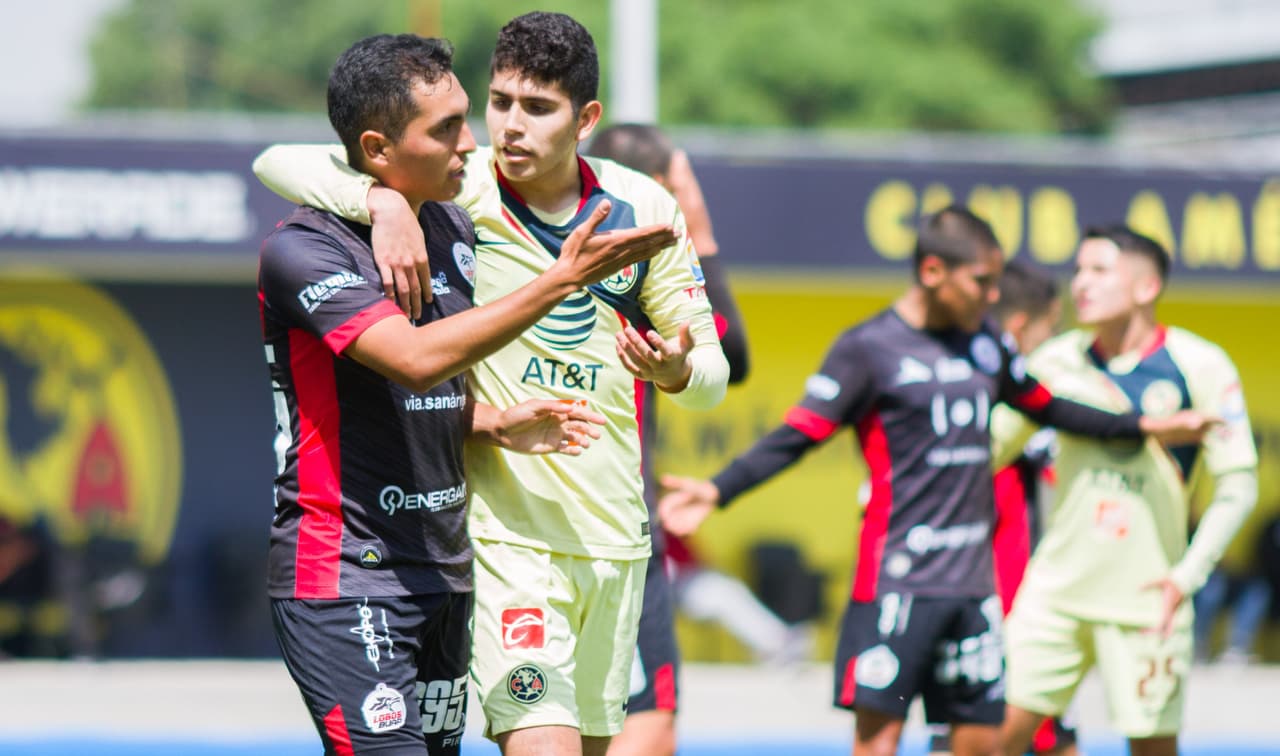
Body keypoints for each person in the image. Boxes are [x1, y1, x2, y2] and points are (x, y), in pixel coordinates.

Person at [253, 14, 730, 756]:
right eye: (499, 101)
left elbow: (714, 376)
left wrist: (676, 372)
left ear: (587, 119)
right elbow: (281, 160)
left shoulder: (643, 209)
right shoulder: (457, 190)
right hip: (502, 541)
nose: (505, 128)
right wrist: (378, 202)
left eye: (536, 108)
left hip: (612, 537)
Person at [658, 206, 1216, 756]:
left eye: (997, 281)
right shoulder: (868, 349)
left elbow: (1052, 409)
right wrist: (718, 488)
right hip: (897, 584)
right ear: (932, 273)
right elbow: (799, 434)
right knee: (879, 742)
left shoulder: (986, 345)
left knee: (978, 745)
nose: (992, 295)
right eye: (981, 281)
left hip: (973, 590)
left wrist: (1145, 425)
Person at [992, 226, 1258, 756]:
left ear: (1146, 286)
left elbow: (1239, 485)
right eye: (1078, 271)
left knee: (1153, 749)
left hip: (1147, 602)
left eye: (1099, 271)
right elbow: (987, 450)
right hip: (1055, 595)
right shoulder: (1053, 362)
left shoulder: (1200, 365)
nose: (1081, 285)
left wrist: (1186, 577)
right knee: (989, 739)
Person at [585, 123, 749, 756]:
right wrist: (697, 229)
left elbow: (724, 359)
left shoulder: (534, 245)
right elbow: (735, 354)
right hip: (594, 524)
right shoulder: (638, 269)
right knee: (634, 727)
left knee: (588, 725)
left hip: (601, 529)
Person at [928, 259, 1079, 756]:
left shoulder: (1014, 401)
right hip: (992, 608)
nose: (1055, 341)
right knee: (977, 738)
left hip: (1024, 609)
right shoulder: (993, 402)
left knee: (1048, 737)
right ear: (1020, 328)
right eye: (1051, 329)